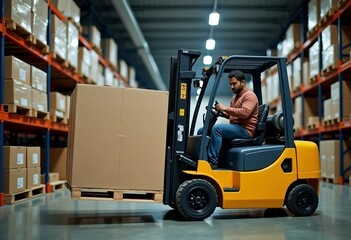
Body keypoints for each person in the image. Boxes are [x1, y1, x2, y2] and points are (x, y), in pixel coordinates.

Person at [198, 70, 259, 169]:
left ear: (243, 82)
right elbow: (233, 115)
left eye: (234, 84)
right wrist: (221, 113)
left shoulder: (249, 96)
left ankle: (212, 161)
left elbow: (245, 113)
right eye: (230, 84)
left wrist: (224, 108)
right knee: (202, 130)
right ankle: (201, 158)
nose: (232, 86)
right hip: (237, 127)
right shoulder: (235, 98)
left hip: (245, 130)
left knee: (217, 129)